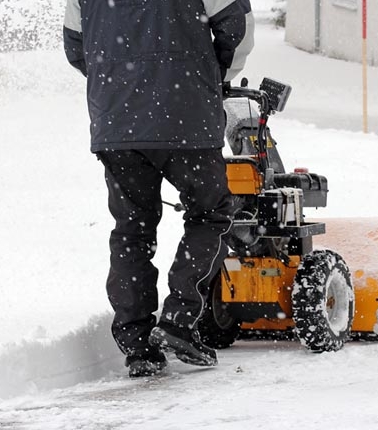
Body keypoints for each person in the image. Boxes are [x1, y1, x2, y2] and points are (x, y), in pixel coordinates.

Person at [64, 0, 254, 378]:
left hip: (117, 127)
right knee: (211, 213)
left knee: (131, 230)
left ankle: (138, 346)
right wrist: (209, 77)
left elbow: (75, 47)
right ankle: (178, 320)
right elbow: (239, 32)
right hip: (187, 118)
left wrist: (119, 82)